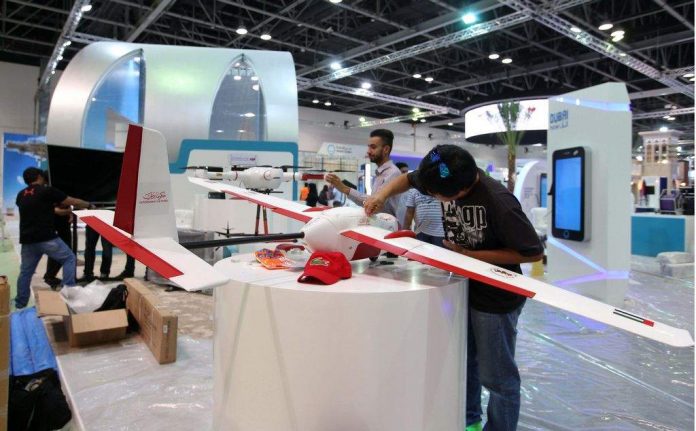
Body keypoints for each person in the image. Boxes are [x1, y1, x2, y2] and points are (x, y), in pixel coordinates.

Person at [364, 145, 543, 431]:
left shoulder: (499, 202)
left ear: (460, 190)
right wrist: (381, 195)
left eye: (436, 196)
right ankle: (468, 420)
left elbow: (532, 252)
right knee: (465, 362)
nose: (432, 197)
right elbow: (410, 178)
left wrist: (472, 257)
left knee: (497, 378)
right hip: (461, 288)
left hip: (495, 298)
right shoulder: (441, 172)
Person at [15, 167, 91, 309]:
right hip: (46, 237)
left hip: (27, 240)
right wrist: (88, 205)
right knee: (69, 258)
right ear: (39, 176)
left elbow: (46, 210)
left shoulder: (21, 195)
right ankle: (69, 292)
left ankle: (20, 303)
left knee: (26, 272)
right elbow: (71, 200)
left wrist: (66, 212)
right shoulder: (46, 190)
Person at [325, 129, 404, 221]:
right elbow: (371, 201)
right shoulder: (379, 174)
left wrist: (345, 189)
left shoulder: (393, 173)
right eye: (369, 147)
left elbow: (374, 203)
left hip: (387, 227)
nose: (368, 151)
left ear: (386, 149)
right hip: (379, 224)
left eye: (373, 147)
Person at [43, 202, 72, 288]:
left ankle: (50, 276)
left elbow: (66, 203)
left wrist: (69, 213)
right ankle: (50, 276)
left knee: (66, 251)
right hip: (55, 224)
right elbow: (56, 210)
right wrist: (69, 211)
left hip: (64, 224)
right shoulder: (52, 193)